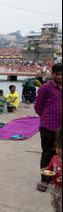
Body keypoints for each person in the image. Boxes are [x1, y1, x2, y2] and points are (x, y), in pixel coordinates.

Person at [35, 63, 62, 192]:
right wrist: (46, 117)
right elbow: (38, 107)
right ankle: (45, 180)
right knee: (47, 153)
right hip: (48, 126)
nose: (60, 77)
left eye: (62, 75)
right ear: (52, 74)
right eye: (57, 74)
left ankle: (58, 178)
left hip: (61, 129)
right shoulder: (46, 88)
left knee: (59, 154)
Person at [42, 127, 61, 212]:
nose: (58, 150)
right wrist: (45, 170)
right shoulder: (54, 158)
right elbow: (50, 167)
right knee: (55, 203)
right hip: (55, 187)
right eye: (57, 147)